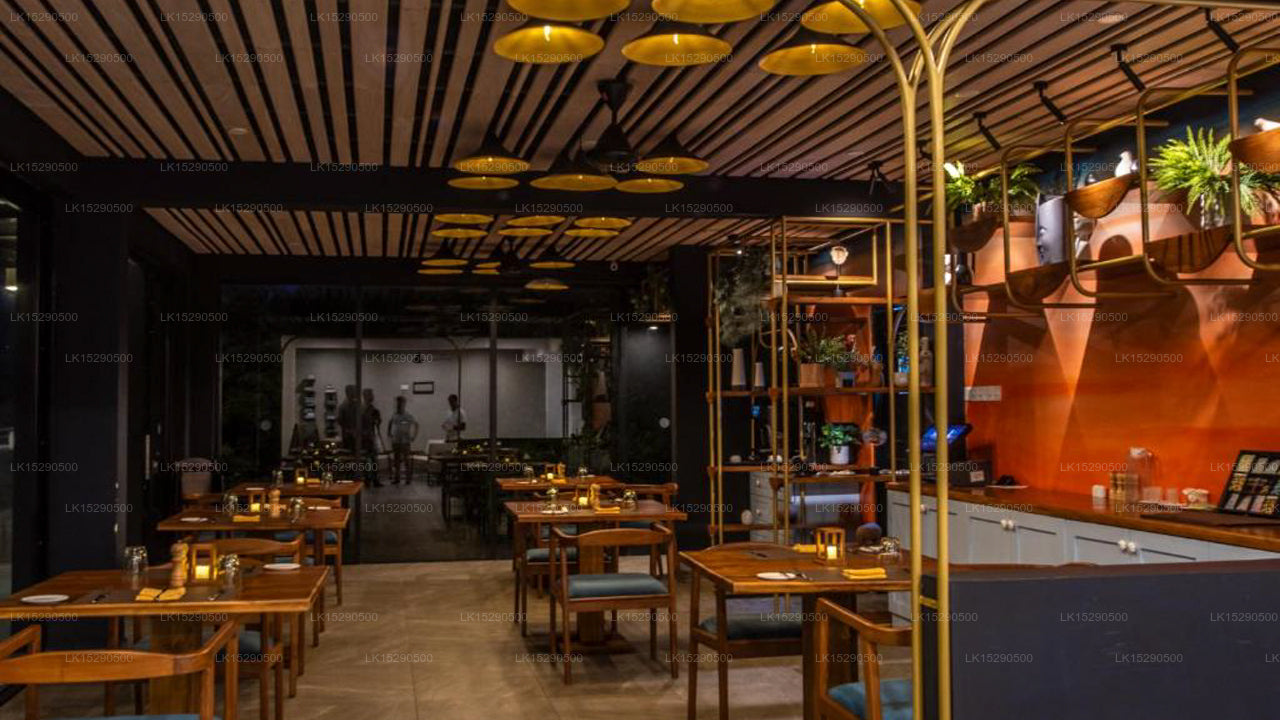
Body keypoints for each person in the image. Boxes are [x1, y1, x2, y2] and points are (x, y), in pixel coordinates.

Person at [387, 396, 419, 485]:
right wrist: (389, 433)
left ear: (404, 404)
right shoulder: (394, 415)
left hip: (405, 441)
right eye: (398, 403)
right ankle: (397, 478)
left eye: (401, 403)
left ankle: (408, 479)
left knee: (406, 460)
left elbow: (416, 424)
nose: (399, 405)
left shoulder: (408, 415)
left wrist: (414, 436)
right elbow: (390, 422)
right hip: (396, 440)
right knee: (396, 460)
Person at [361, 388, 384, 487]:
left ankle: (374, 479)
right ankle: (367, 479)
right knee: (366, 459)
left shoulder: (373, 410)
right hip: (364, 438)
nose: (371, 397)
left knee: (373, 459)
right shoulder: (361, 410)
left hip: (371, 437)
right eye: (369, 395)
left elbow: (378, 423)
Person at [337, 384, 360, 452]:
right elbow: (340, 420)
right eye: (353, 391)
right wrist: (349, 430)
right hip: (348, 436)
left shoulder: (356, 405)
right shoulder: (343, 407)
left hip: (355, 435)